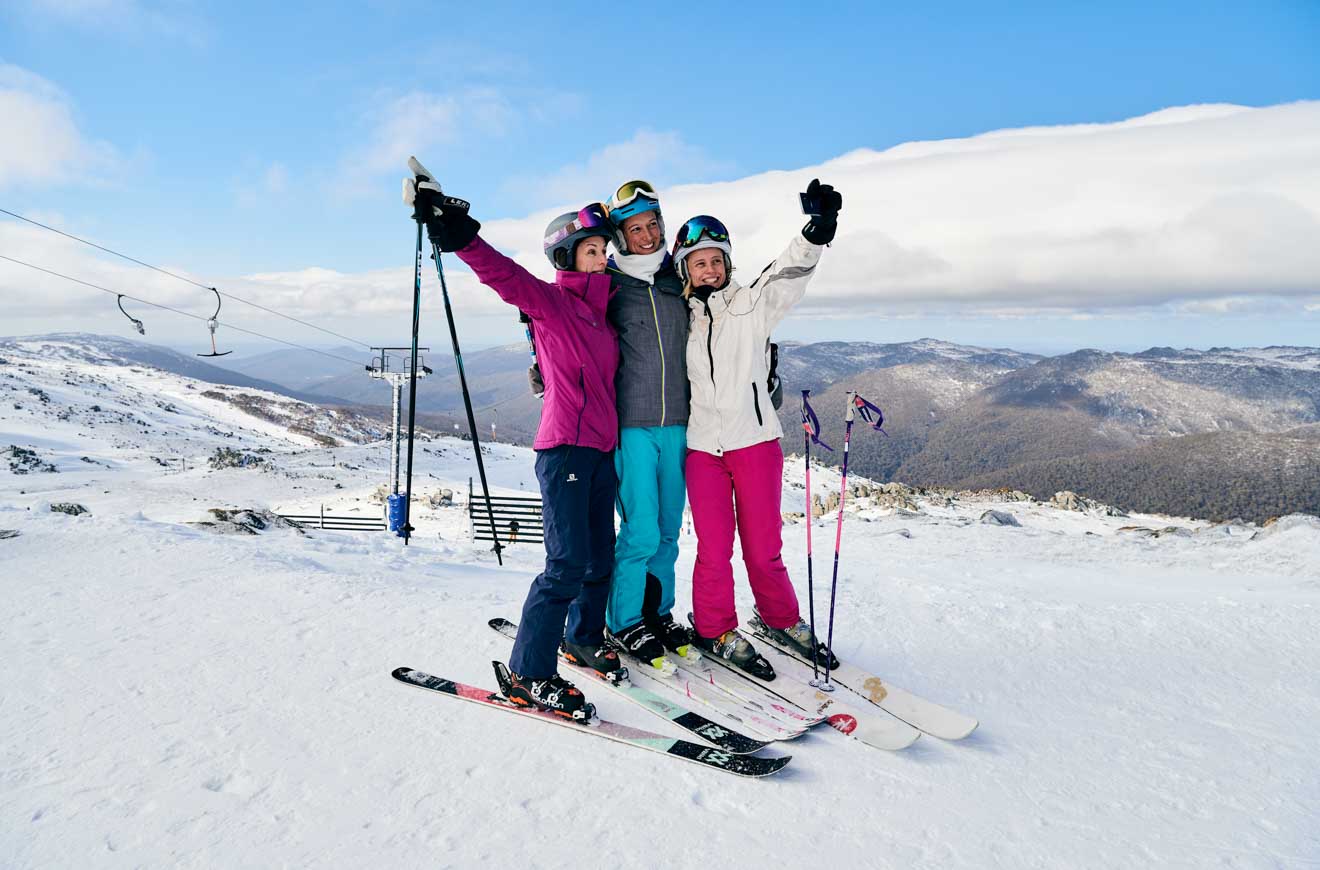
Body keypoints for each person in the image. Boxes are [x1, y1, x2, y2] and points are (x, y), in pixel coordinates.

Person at [407, 162, 621, 718]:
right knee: (567, 564)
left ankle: (581, 638)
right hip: (565, 451)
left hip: (601, 452)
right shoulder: (554, 304)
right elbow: (505, 277)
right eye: (592, 250)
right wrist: (461, 237)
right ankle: (529, 672)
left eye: (605, 249)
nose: (603, 257)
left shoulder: (604, 316)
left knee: (602, 558)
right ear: (567, 257)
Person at [677, 179, 845, 679]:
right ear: (685, 268)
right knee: (713, 548)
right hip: (703, 448)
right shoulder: (677, 317)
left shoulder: (751, 305)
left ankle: (780, 620)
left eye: (717, 259)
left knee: (763, 546)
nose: (709, 268)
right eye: (699, 261)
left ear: (728, 264)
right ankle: (714, 629)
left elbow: (789, 272)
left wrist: (818, 229)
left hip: (754, 443)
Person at [600, 180, 694, 671]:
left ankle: (658, 612)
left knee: (669, 529)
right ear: (621, 235)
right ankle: (625, 620)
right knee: (638, 529)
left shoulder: (676, 282)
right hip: (632, 425)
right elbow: (574, 328)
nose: (645, 235)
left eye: (651, 224)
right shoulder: (612, 284)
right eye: (634, 228)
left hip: (678, 423)